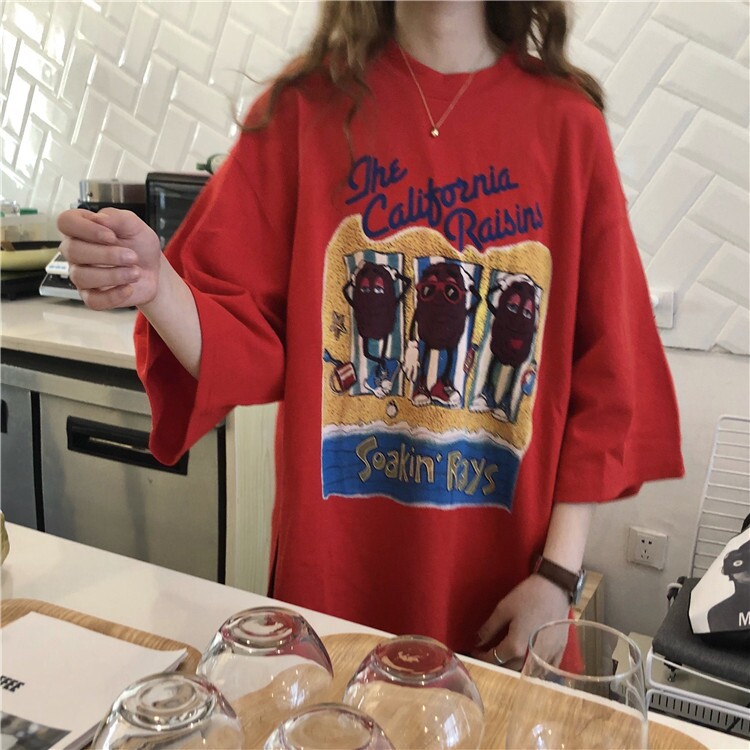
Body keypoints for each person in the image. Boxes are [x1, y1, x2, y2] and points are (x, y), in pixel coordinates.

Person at [57, 0, 684, 668]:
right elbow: (245, 344)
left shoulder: (567, 125)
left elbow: (610, 381)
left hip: (505, 599)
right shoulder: (304, 111)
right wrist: (154, 282)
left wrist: (556, 579)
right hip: (336, 587)